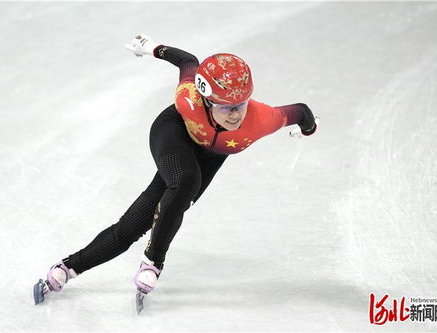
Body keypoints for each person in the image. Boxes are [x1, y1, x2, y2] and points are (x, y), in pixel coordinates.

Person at [33, 34, 319, 305]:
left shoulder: (261, 119)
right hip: (174, 133)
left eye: (240, 104)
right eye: (224, 106)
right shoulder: (188, 97)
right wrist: (150, 46)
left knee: (137, 222)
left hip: (210, 156)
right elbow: (187, 61)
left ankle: (68, 267)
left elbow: (301, 111)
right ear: (206, 99)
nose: (235, 114)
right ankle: (154, 262)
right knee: (186, 181)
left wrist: (308, 129)